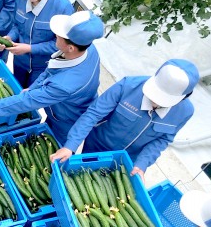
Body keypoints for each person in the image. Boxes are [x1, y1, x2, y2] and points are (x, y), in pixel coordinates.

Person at [0, 11, 103, 143]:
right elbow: (52, 69)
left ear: (71, 48)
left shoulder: (64, 85)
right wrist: (33, 88)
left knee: (57, 146)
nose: (55, 35)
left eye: (59, 36)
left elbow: (27, 101)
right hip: (68, 104)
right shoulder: (88, 49)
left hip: (67, 119)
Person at [50, 59, 200, 180]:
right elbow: (93, 114)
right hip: (98, 145)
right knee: (82, 176)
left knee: (107, 183)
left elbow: (163, 139)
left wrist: (142, 164)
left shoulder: (185, 112)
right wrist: (71, 145)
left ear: (182, 98)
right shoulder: (128, 86)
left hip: (128, 159)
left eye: (162, 101)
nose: (155, 103)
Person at [2, 0, 74, 88]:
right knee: (16, 89)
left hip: (43, 68)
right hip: (20, 63)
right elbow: (16, 26)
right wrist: (9, 37)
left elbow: (62, 45)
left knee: (31, 96)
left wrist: (30, 48)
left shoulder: (63, 8)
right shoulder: (20, 0)